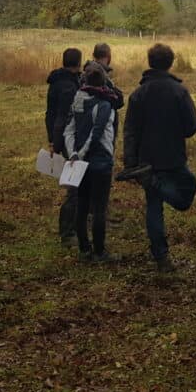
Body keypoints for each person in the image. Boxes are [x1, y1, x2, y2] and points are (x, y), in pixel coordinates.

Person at [117, 44, 196, 273]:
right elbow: (192, 126)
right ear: (171, 62)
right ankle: (154, 185)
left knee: (154, 207)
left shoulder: (138, 94)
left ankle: (161, 256)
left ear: (150, 62)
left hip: (147, 161)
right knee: (187, 191)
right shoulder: (179, 91)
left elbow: (130, 131)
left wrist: (130, 162)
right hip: (174, 156)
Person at [62, 65, 119, 263]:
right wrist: (82, 154)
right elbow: (97, 133)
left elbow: (69, 130)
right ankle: (99, 251)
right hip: (99, 161)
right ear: (104, 82)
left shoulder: (78, 101)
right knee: (99, 208)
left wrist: (73, 154)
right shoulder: (104, 104)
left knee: (83, 204)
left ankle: (84, 249)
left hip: (79, 161)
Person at [45, 47, 82, 244]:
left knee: (76, 184)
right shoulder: (69, 87)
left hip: (59, 137)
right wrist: (58, 144)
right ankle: (68, 232)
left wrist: (51, 138)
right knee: (75, 186)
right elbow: (62, 117)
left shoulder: (56, 82)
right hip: (70, 140)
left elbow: (49, 114)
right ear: (78, 63)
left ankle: (75, 225)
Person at [89, 42, 125, 109]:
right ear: (109, 56)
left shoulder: (86, 71)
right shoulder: (101, 74)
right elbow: (119, 100)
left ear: (93, 55)